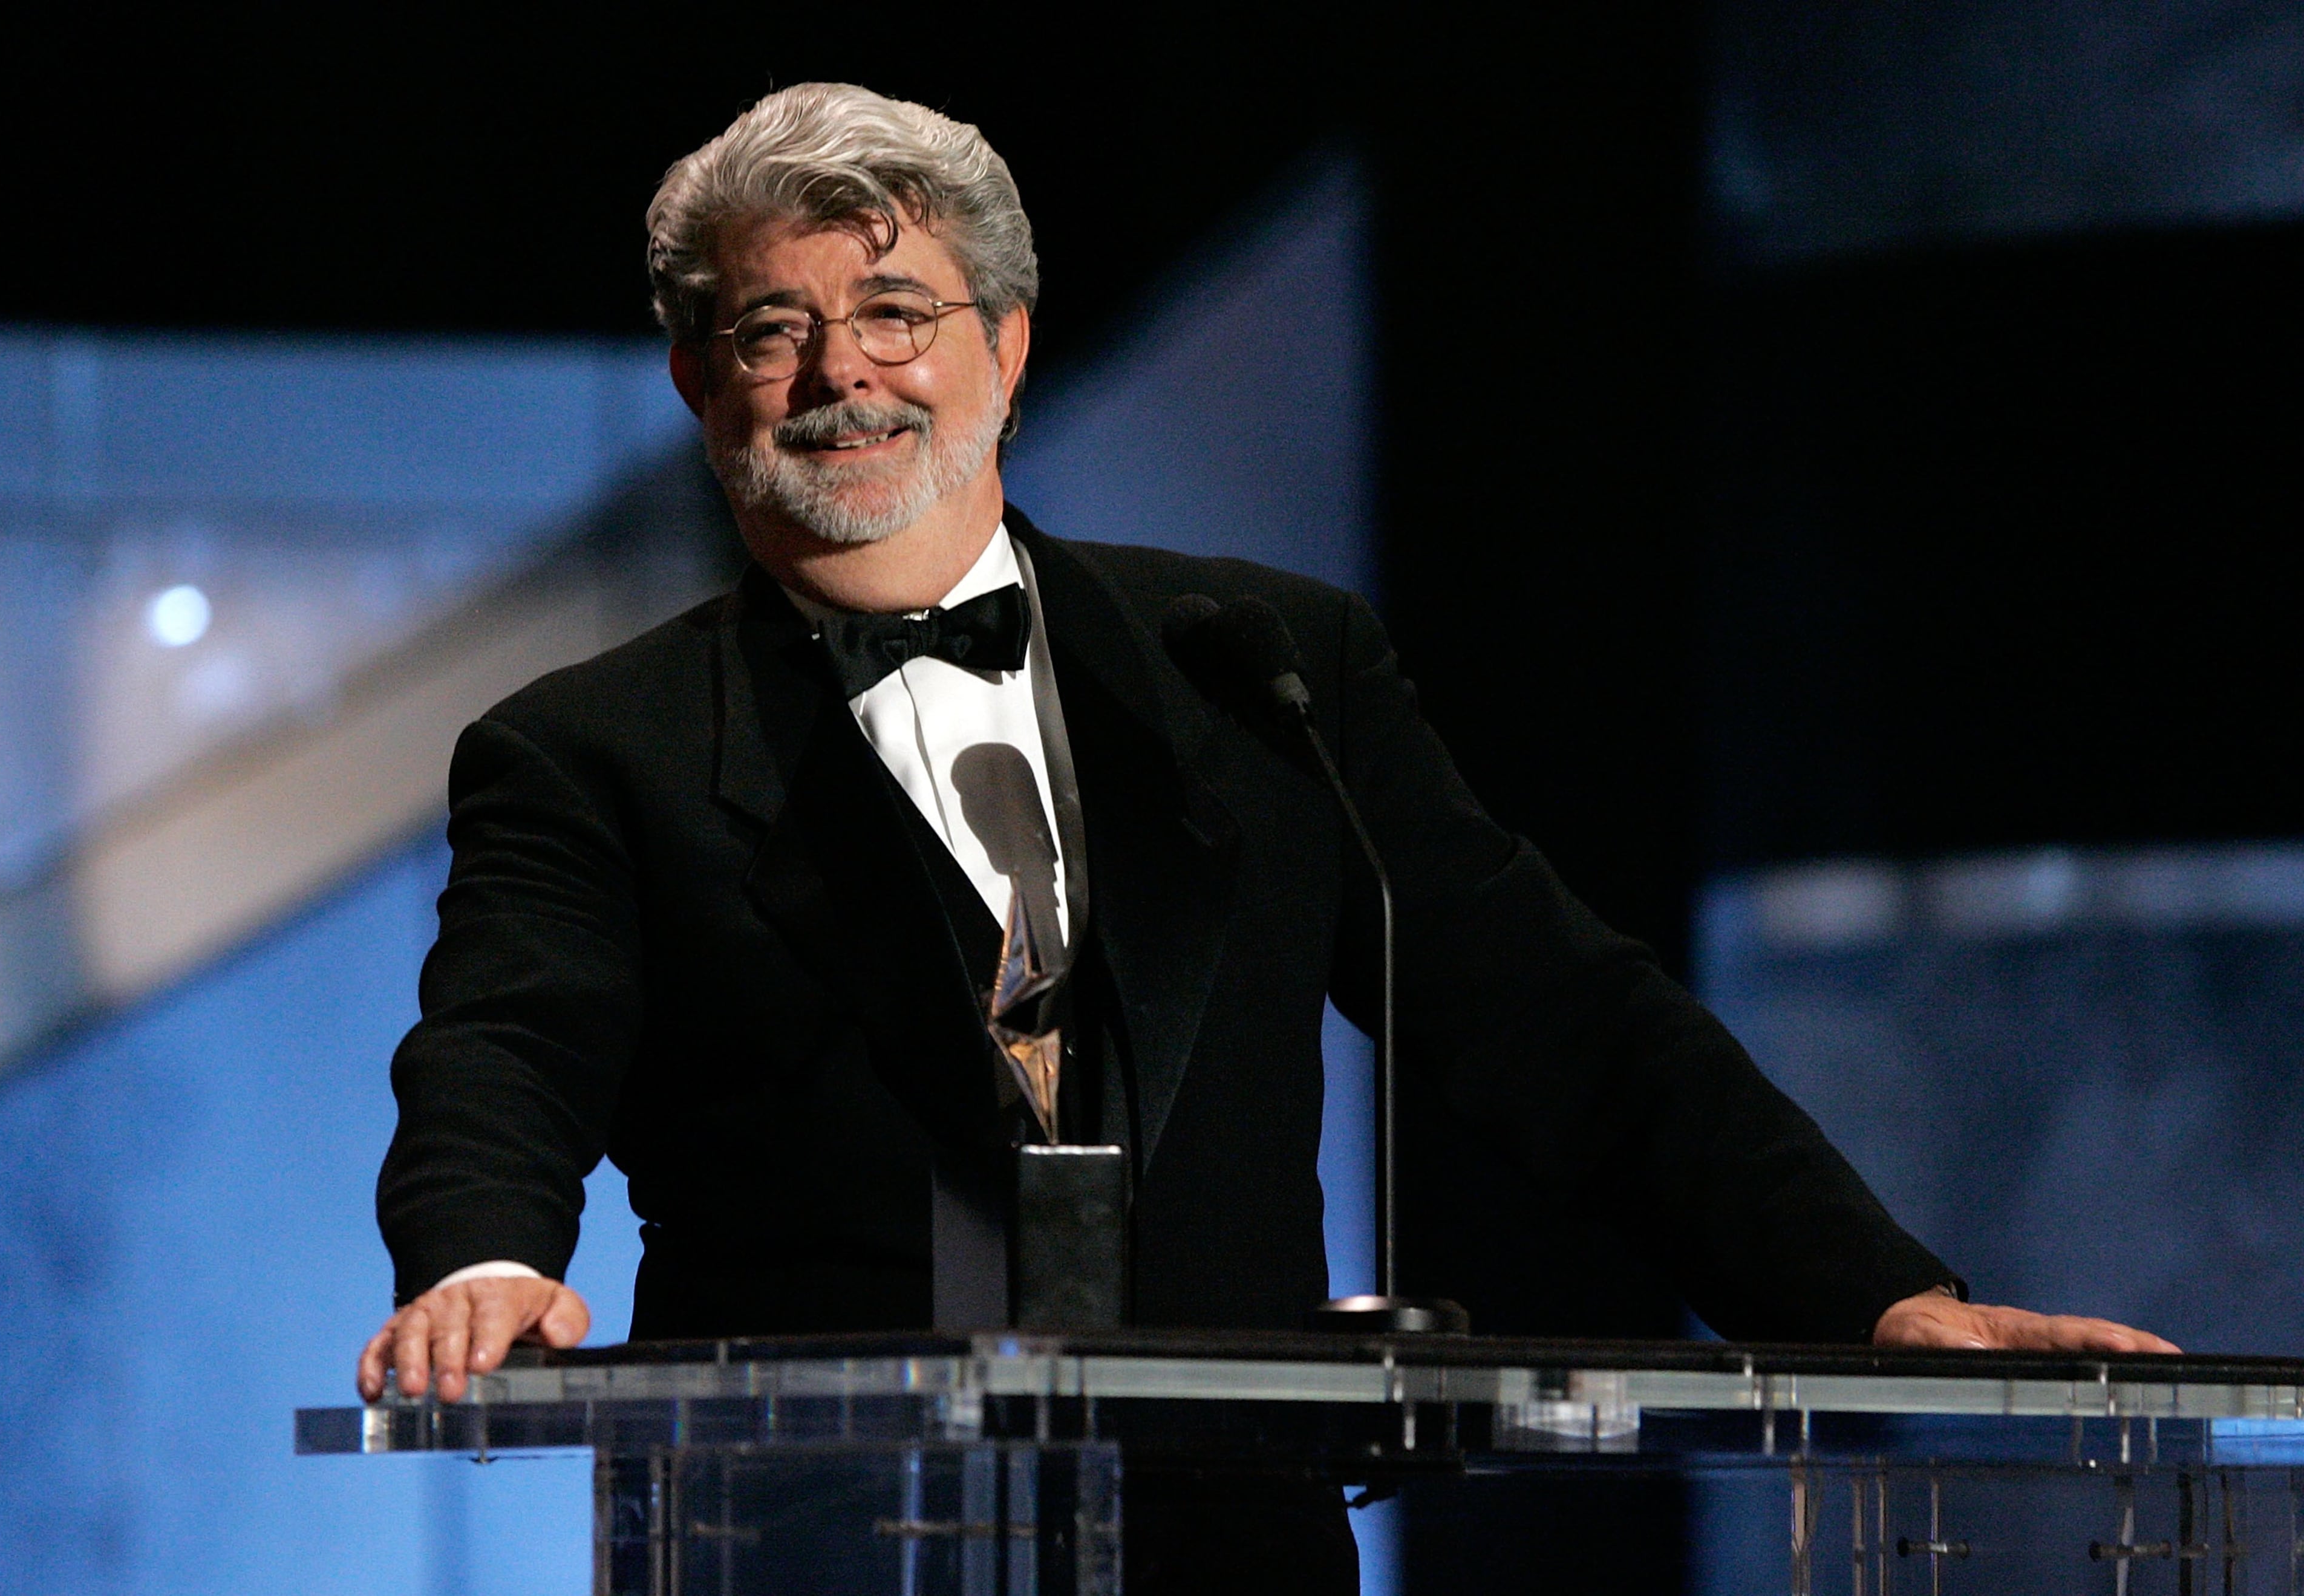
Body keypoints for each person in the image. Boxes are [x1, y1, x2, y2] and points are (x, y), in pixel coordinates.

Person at [357, 81, 2175, 1415]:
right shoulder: (585, 750)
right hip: (819, 1517)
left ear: (1005, 346)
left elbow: (1554, 1017)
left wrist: (1879, 1302)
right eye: (773, 328)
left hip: (1229, 1530)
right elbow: (507, 1045)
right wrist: (482, 1266)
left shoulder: (1256, 663)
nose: (846, 371)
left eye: (900, 313)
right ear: (697, 380)